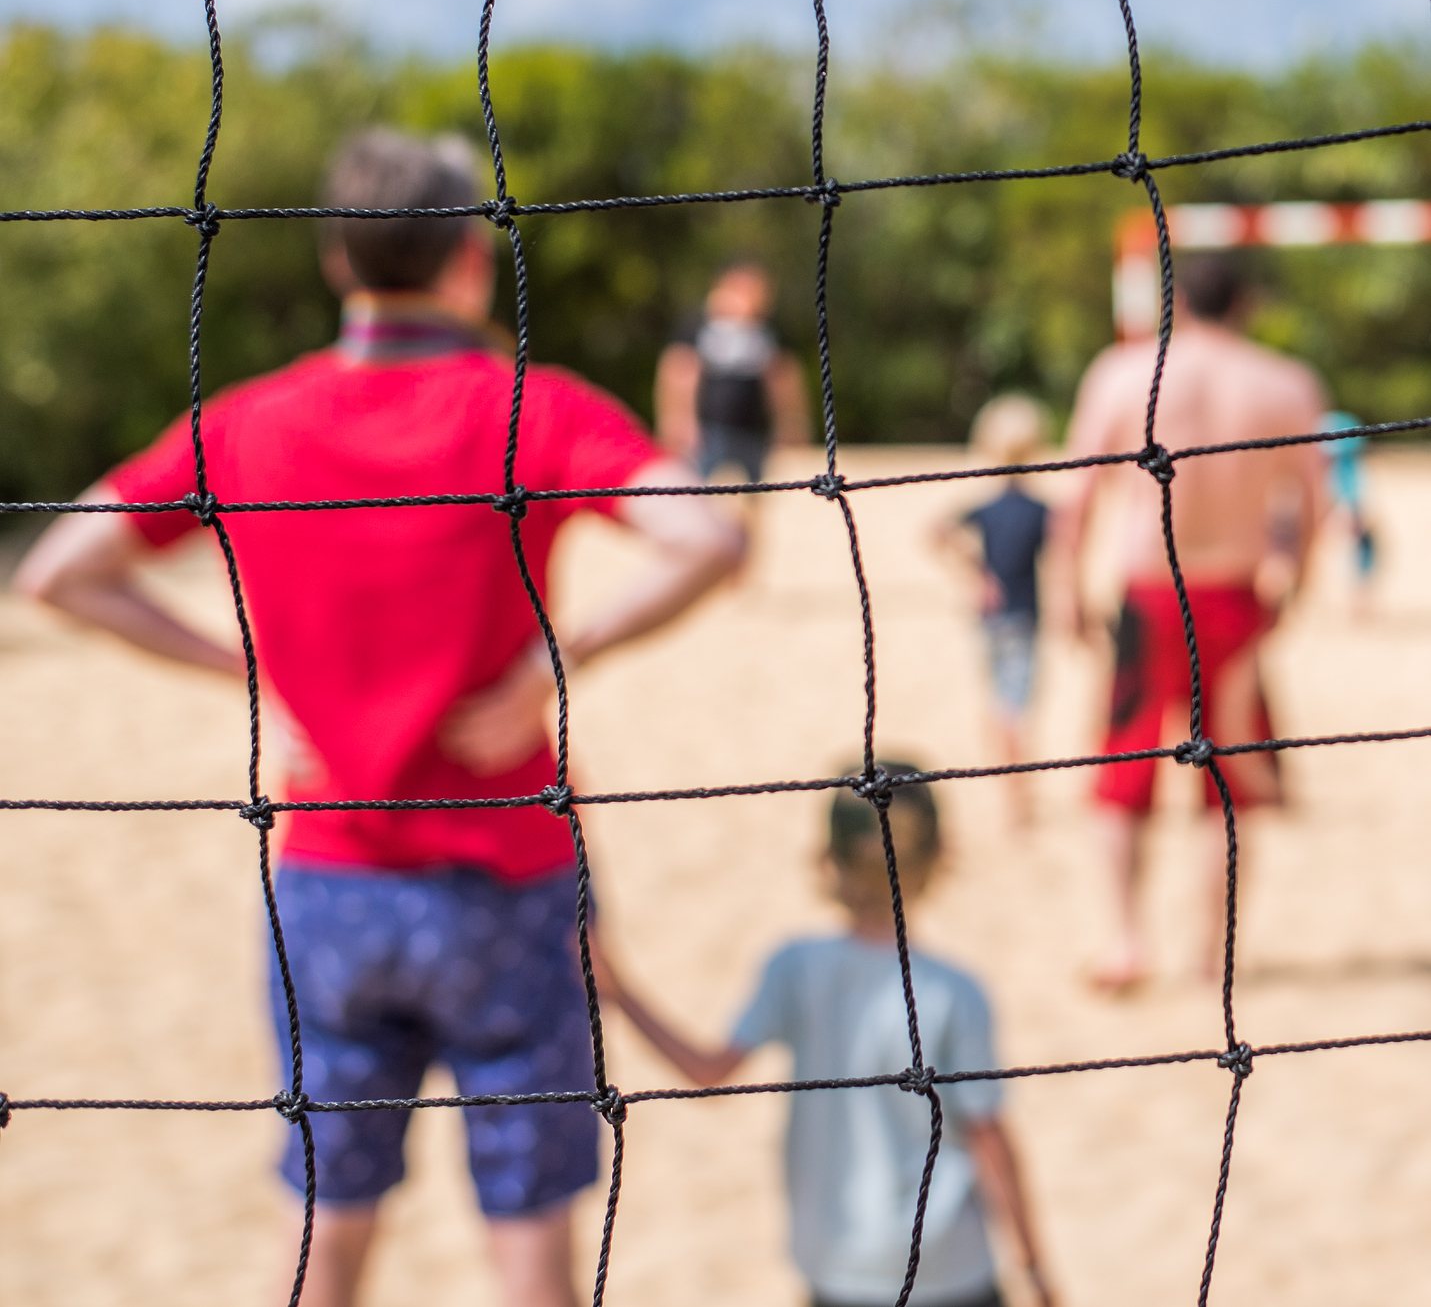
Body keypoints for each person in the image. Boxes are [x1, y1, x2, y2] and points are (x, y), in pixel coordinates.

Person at [15, 128, 746, 1307]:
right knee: (532, 1262)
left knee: (328, 1241)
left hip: (328, 889)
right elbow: (712, 537)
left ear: (336, 266)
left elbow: (56, 571)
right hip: (503, 882)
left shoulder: (245, 422)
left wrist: (247, 675)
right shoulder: (530, 409)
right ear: (468, 260)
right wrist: (562, 660)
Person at [593, 763, 1054, 1307]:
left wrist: (620, 993)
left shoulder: (794, 968)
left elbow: (708, 1074)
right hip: (946, 1264)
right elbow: (988, 1139)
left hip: (839, 1263)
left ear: (827, 861)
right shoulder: (954, 991)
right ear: (938, 858)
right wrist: (1034, 1266)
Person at [1049, 250, 1327, 990]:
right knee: (1227, 783)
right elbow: (1311, 504)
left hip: (1148, 589)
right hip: (1235, 596)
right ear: (1245, 302)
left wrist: (1065, 590)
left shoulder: (1122, 372)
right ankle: (1211, 954)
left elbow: (1075, 498)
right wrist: (1294, 588)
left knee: (1122, 773)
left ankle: (1124, 943)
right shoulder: (1284, 382)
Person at [931, 395, 1051, 829]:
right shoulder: (1039, 510)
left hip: (989, 616)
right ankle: (1016, 793)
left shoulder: (987, 506)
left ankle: (1007, 782)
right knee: (1016, 706)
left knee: (998, 701)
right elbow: (1065, 551)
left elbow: (936, 531)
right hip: (1024, 616)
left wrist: (977, 576)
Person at [655, 257, 809, 483]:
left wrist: (791, 421)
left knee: (756, 490)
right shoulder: (698, 324)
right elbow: (676, 371)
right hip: (707, 430)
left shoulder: (767, 330)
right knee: (697, 487)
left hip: (753, 429)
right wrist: (676, 419)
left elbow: (784, 376)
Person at [1318, 408, 1377, 612]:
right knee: (1353, 558)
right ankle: (1354, 602)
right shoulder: (1345, 465)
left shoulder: (1341, 465)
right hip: (1348, 512)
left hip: (1347, 511)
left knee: (1355, 557)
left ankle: (1355, 601)